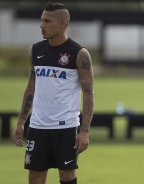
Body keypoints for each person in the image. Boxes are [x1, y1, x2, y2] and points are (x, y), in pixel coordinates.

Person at [12, 2, 94, 184]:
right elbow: (31, 87)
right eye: (41, 20)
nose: (41, 25)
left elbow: (88, 93)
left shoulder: (79, 54)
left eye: (47, 21)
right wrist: (21, 122)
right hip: (38, 126)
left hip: (65, 127)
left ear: (63, 23)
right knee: (35, 177)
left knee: (67, 176)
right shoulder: (36, 50)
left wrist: (84, 131)